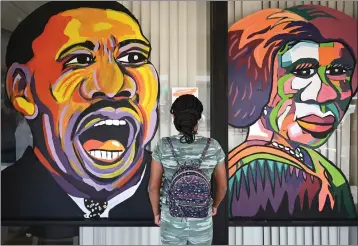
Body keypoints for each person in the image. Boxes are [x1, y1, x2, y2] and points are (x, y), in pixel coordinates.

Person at [2, 1, 159, 220]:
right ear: (22, 90)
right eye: (81, 59)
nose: (113, 87)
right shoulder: (7, 198)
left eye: (133, 57)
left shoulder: (178, 190)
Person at [228, 5, 357, 219]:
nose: (326, 94)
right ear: (256, 83)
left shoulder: (307, 159)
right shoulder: (262, 171)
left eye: (338, 71)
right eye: (303, 71)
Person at [148, 94, 227, 245]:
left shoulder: (164, 146)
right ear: (198, 118)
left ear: (174, 117)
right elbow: (222, 186)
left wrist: (157, 213)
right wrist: (214, 206)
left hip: (171, 218)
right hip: (202, 220)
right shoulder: (213, 146)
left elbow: (153, 187)